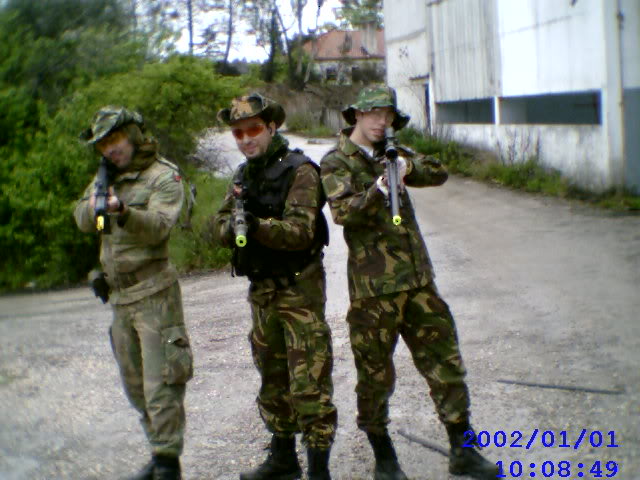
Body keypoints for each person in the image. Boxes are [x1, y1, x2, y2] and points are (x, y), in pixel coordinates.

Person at [320, 86, 499, 480]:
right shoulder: (337, 161)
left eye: (387, 114)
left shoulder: (393, 151)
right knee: (375, 377)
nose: (381, 121)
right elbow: (342, 212)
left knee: (445, 364)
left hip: (419, 282)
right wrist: (379, 189)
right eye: (374, 114)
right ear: (356, 116)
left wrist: (407, 169)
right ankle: (384, 458)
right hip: (374, 292)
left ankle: (462, 449)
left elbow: (439, 171)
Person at [211, 93, 337, 480]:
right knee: (271, 377)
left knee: (309, 381)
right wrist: (231, 227)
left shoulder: (301, 171)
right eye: (237, 133)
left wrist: (255, 226)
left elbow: (301, 232)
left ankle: (318, 469)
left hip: (299, 290)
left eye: (252, 130)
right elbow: (216, 226)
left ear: (271, 127)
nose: (245, 139)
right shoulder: (242, 176)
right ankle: (283, 458)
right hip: (262, 293)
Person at [74, 106, 193, 480]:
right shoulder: (105, 179)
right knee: (136, 387)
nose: (111, 150)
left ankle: (167, 464)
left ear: (134, 135)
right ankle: (158, 454)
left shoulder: (163, 176)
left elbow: (159, 227)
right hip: (120, 298)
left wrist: (122, 210)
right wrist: (97, 205)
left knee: (162, 388)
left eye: (115, 139)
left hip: (154, 294)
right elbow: (84, 220)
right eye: (103, 145)